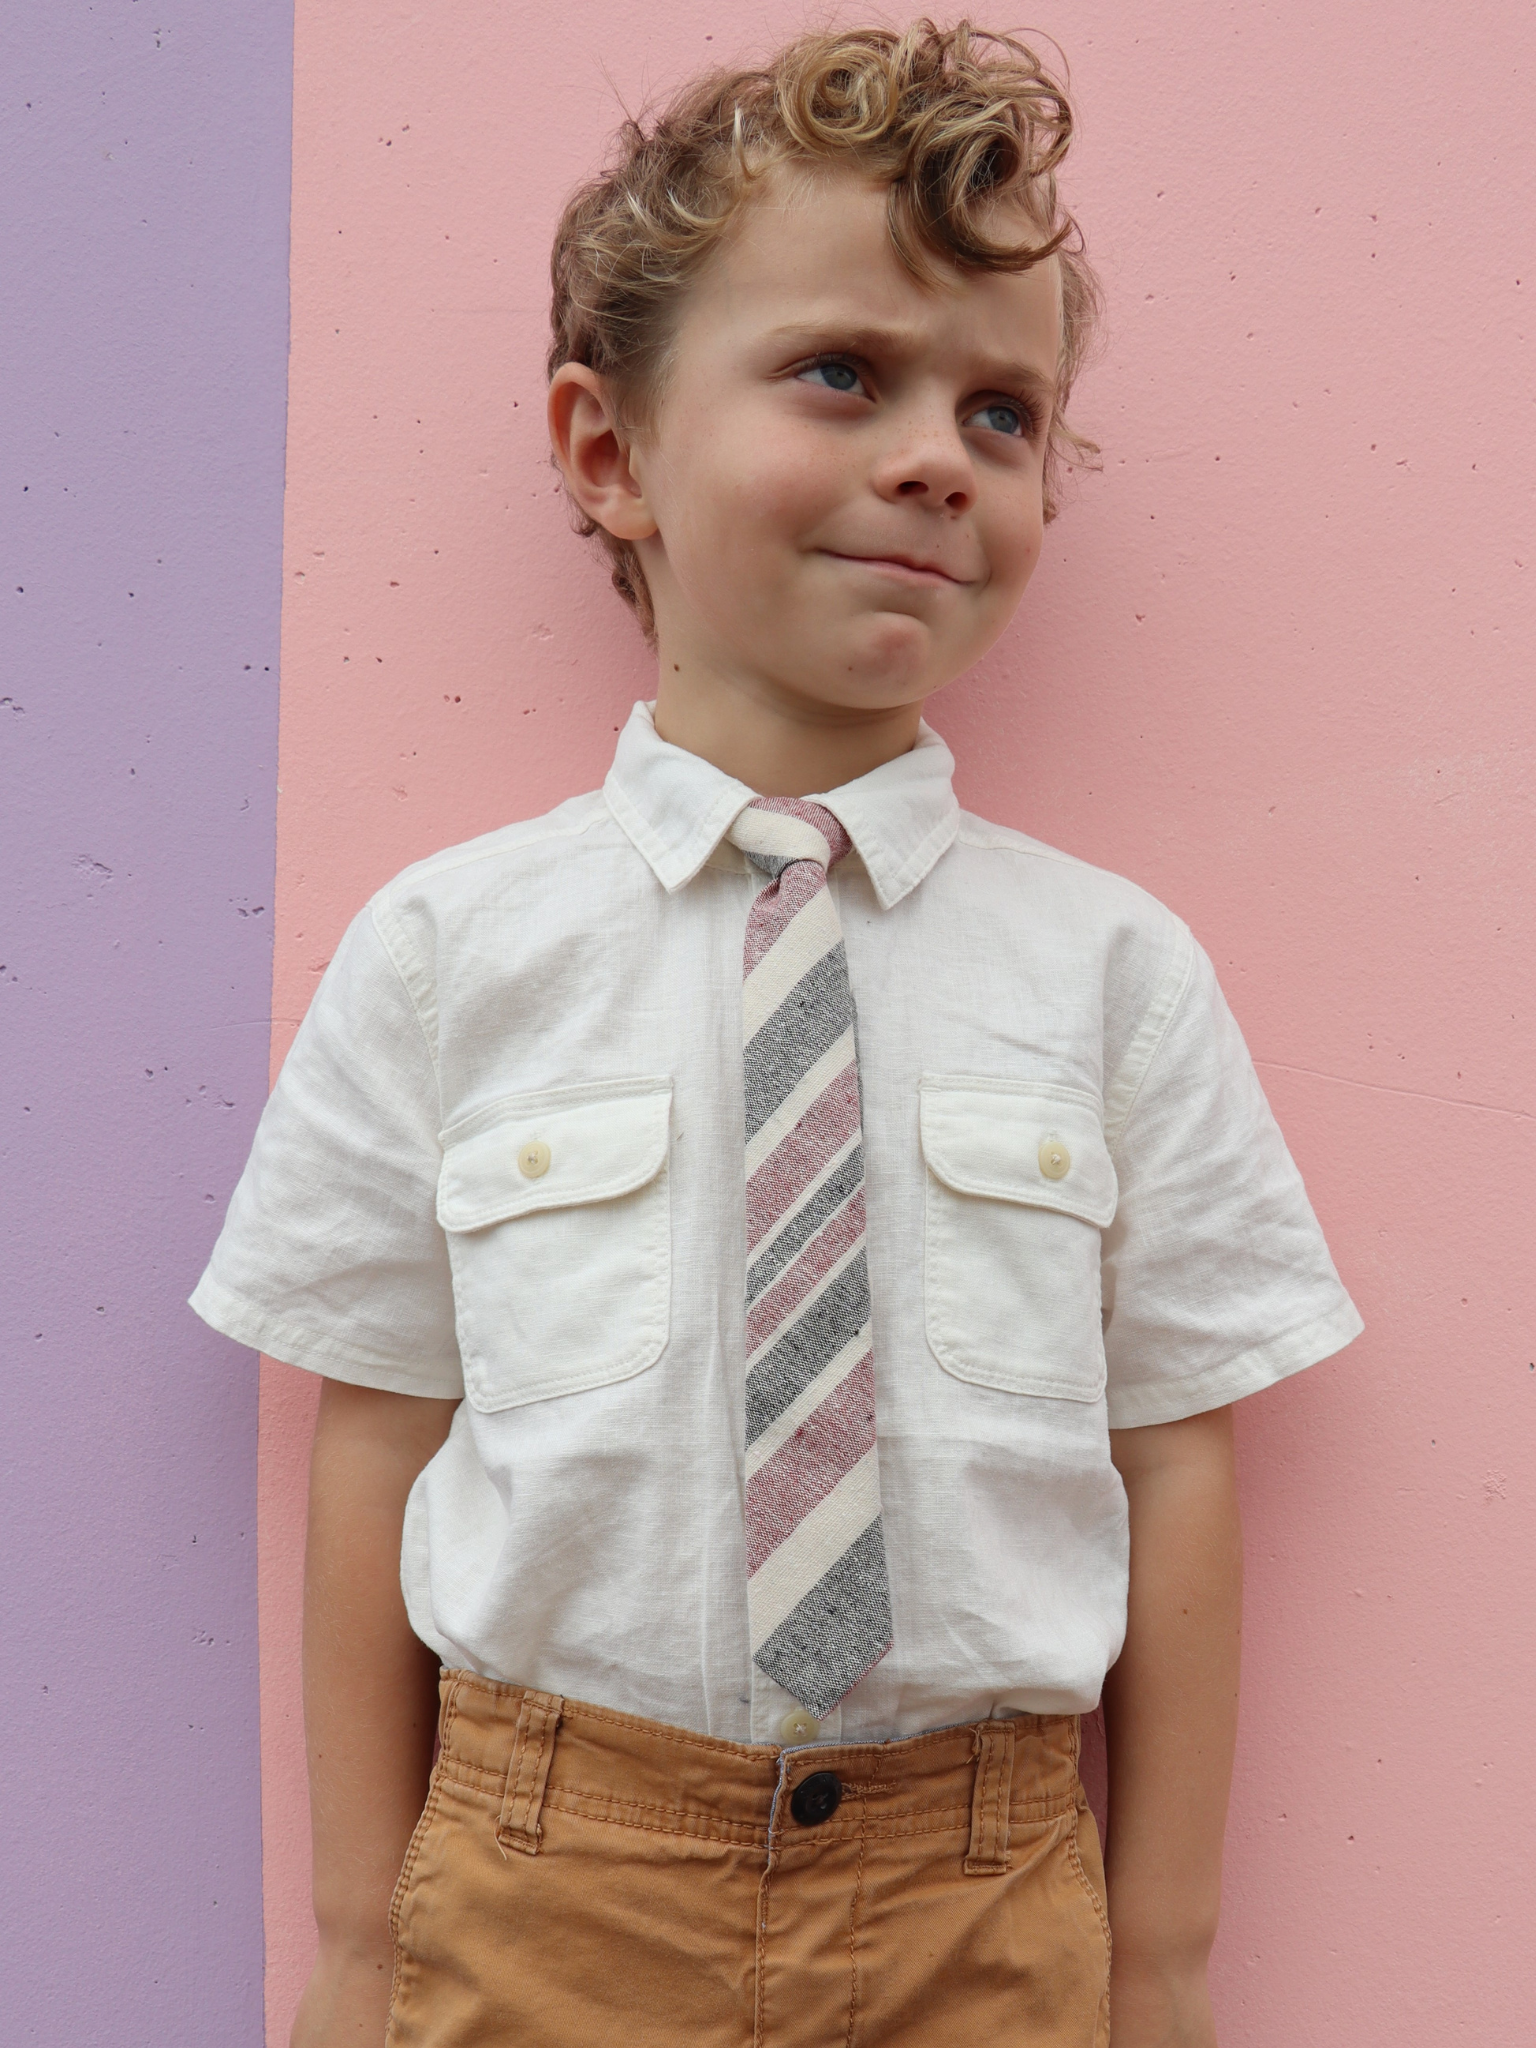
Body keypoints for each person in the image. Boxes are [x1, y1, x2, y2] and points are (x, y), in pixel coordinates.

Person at [192, 22, 1362, 2046]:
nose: (936, 452)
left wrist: (1161, 1959)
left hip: (981, 1892)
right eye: (845, 372)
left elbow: (1177, 1454)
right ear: (607, 451)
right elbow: (373, 1426)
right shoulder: (451, 951)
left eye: (1003, 412)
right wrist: (358, 1932)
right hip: (551, 1873)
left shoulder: (1113, 971)